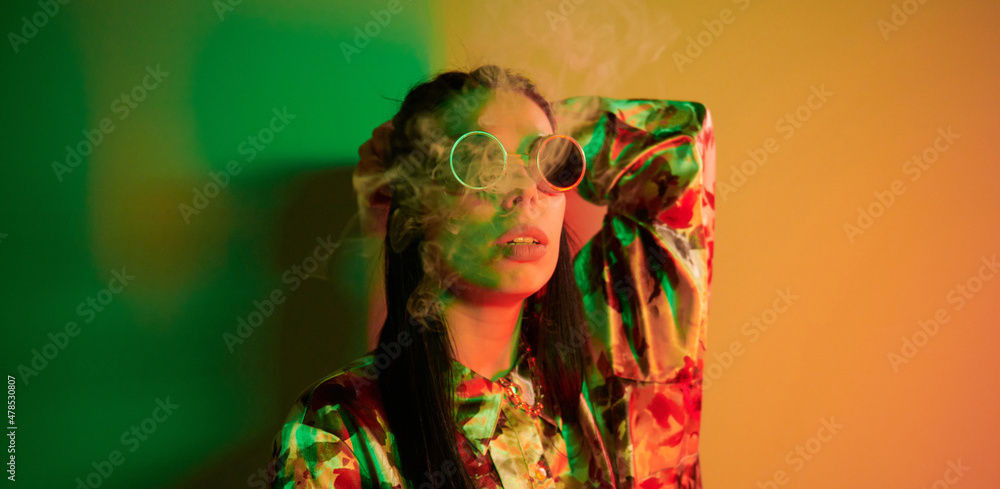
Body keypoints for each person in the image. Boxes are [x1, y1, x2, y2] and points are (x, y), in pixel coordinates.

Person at [268, 65, 715, 489]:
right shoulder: (339, 428)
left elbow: (679, 142)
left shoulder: (614, 379)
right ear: (416, 211)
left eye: (547, 161)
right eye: (480, 163)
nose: (524, 192)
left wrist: (526, 118)